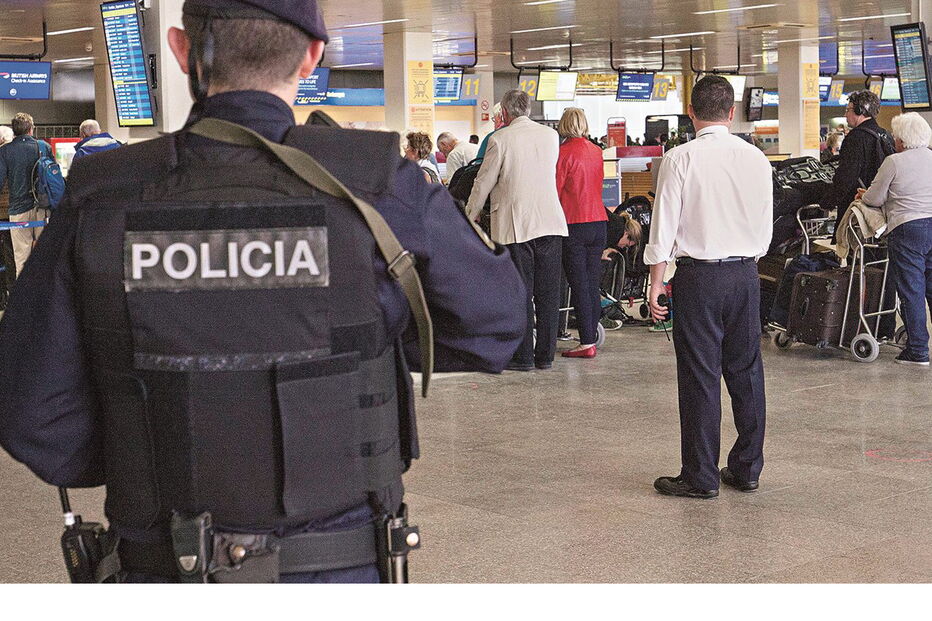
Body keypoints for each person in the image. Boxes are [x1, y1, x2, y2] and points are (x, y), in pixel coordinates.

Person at [0, 0, 526, 584]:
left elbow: (32, 412)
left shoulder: (103, 194)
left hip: (162, 565)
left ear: (180, 50)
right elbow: (497, 326)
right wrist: (363, 346)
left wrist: (147, 446)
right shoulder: (378, 182)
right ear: (313, 56)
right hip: (339, 570)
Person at [645, 76, 773, 499]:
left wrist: (656, 282)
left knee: (700, 375)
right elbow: (765, 227)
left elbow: (663, 225)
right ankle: (747, 468)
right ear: (732, 113)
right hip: (746, 275)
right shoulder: (756, 159)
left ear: (691, 113)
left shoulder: (680, 158)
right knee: (746, 371)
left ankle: (700, 476)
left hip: (699, 278)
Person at [466, 90, 568, 371]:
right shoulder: (551, 136)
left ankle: (523, 357)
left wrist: (470, 215)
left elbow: (483, 182)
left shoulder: (500, 139)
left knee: (520, 293)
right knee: (548, 294)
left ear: (505, 113)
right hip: (550, 223)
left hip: (515, 226)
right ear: (528, 109)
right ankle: (545, 355)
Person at [859, 112, 932, 367]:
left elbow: (874, 198)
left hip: (908, 228)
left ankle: (918, 350)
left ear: (901, 140)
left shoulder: (894, 162)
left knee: (912, 290)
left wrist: (863, 195)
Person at [555, 108, 608, 358]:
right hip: (599, 221)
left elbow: (555, 190)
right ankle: (591, 334)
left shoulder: (562, 153)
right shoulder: (597, 151)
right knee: (592, 283)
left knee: (578, 285)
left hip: (574, 223)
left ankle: (586, 342)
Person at [819, 90, 894, 234]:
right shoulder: (886, 135)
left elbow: (847, 175)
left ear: (860, 111)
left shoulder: (855, 137)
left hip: (857, 208)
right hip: (882, 208)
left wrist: (828, 202)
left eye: (848, 110)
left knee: (850, 245)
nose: (846, 114)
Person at [0, 113, 53, 277]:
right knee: (45, 256)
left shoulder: (5, 151)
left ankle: (24, 292)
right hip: (43, 208)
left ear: (14, 131)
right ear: (31, 129)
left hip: (18, 210)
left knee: (21, 258)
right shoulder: (44, 147)